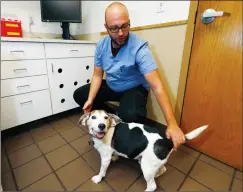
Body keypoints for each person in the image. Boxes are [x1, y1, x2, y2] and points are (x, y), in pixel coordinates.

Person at [73, 2, 185, 150]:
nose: (120, 33)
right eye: (114, 28)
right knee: (80, 95)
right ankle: (110, 120)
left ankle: (121, 122)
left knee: (130, 114)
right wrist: (90, 99)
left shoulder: (139, 49)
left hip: (134, 88)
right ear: (106, 27)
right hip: (113, 85)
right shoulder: (101, 46)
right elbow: (97, 76)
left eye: (125, 26)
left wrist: (172, 123)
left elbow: (157, 86)